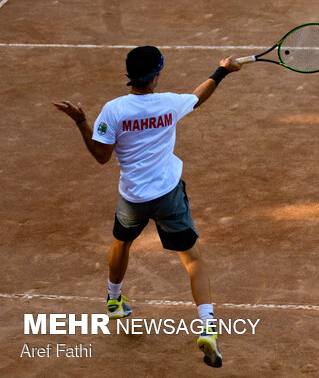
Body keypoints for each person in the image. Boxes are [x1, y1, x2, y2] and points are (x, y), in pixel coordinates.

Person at [52, 46, 241, 367]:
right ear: (156, 74)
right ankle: (208, 328)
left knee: (121, 243)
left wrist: (82, 121)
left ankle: (114, 300)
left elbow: (101, 156)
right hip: (168, 195)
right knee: (193, 259)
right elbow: (198, 96)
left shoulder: (114, 110)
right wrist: (222, 70)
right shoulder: (169, 103)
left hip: (132, 198)